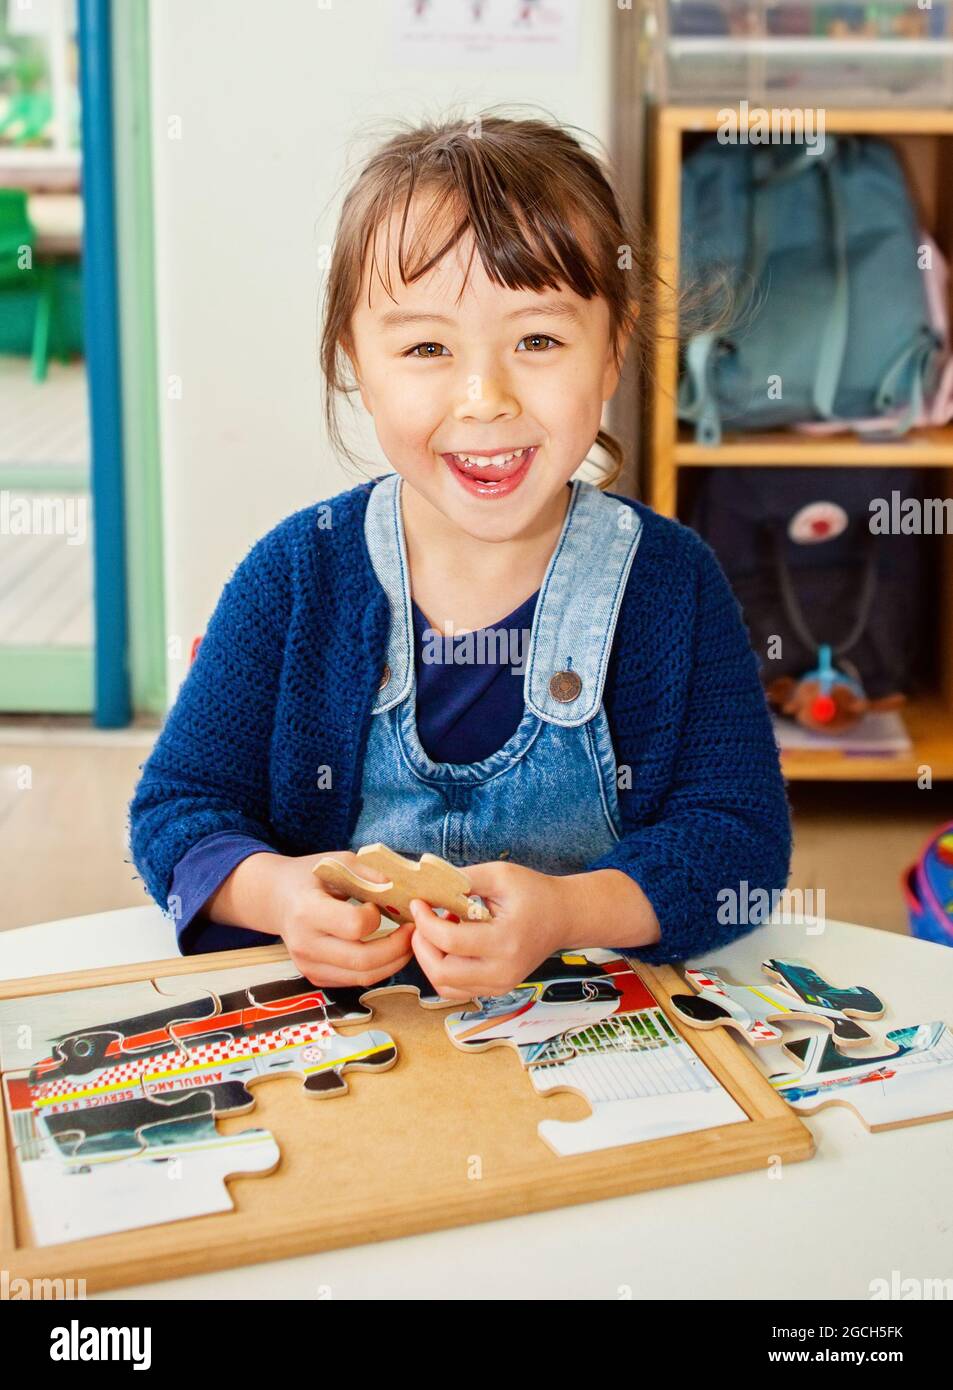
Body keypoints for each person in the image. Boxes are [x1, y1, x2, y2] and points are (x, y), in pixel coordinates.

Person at [128, 111, 791, 1001]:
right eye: (427, 347)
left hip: (587, 1044)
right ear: (354, 363)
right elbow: (177, 810)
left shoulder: (669, 584)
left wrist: (566, 912)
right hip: (355, 1046)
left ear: (611, 354)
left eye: (539, 341)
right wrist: (283, 896)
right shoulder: (294, 576)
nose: (484, 399)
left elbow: (736, 838)